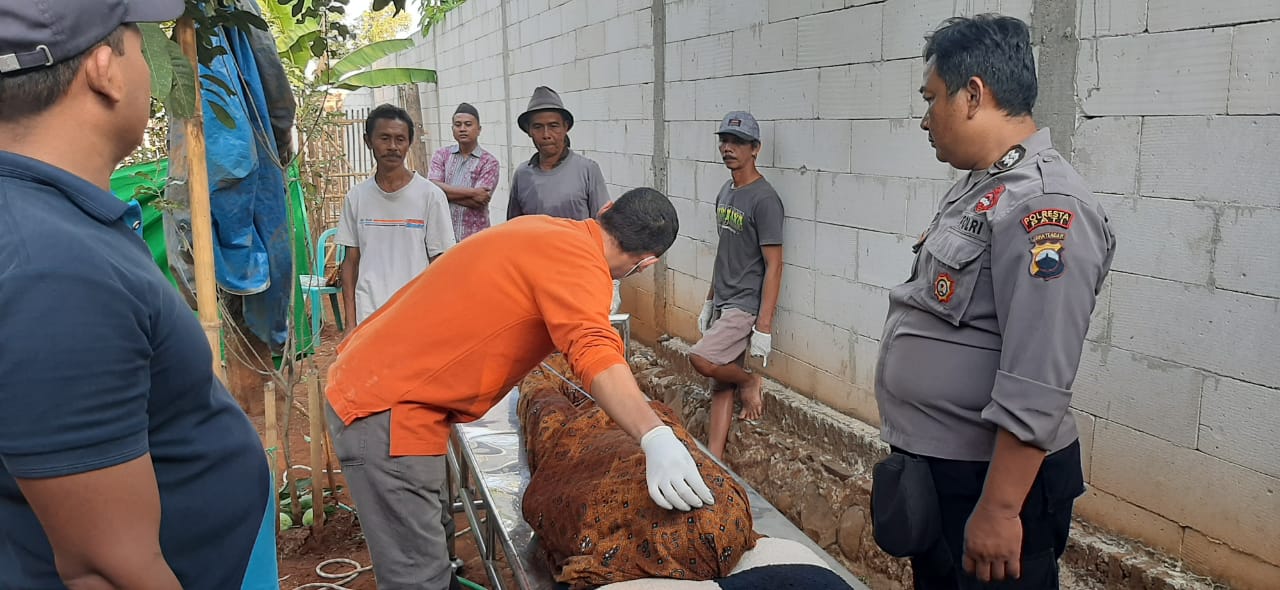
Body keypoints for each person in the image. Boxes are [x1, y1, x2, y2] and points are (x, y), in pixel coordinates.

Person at [0, 1, 278, 589]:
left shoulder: (52, 222)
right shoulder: (54, 271)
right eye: (138, 39)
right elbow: (107, 569)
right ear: (106, 69)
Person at [325, 187, 715, 590]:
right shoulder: (581, 266)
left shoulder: (542, 230)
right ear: (647, 263)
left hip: (383, 382)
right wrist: (653, 435)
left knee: (432, 546)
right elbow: (595, 350)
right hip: (387, 408)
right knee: (416, 578)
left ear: (606, 209)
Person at [872, 15, 1116, 589]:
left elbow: (1038, 375)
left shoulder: (1045, 205)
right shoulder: (982, 188)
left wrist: (1002, 509)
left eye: (931, 99)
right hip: (945, 473)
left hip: (994, 485)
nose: (924, 118)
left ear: (974, 94)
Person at [689, 111, 784, 461]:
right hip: (725, 298)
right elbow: (723, 251)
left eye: (738, 142)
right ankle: (715, 459)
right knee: (720, 384)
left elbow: (774, 264)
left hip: (745, 303)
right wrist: (709, 301)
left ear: (755, 149)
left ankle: (749, 381)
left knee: (700, 357)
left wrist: (764, 326)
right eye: (725, 141)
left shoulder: (765, 199)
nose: (728, 148)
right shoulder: (726, 192)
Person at [337, 103, 456, 328]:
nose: (392, 146)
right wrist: (351, 324)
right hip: (369, 316)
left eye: (400, 139)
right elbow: (350, 263)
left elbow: (441, 264)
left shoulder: (430, 196)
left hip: (416, 316)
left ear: (409, 143)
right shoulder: (357, 197)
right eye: (384, 138)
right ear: (368, 140)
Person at [507, 85, 623, 312]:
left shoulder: (588, 170)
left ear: (566, 128)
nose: (546, 135)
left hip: (579, 275)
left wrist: (612, 281)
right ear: (529, 131)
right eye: (538, 127)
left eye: (553, 126)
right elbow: (513, 231)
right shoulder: (522, 175)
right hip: (536, 280)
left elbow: (606, 228)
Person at [428, 102, 500, 241]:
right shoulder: (442, 155)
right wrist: (473, 192)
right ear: (452, 128)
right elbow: (432, 189)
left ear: (479, 129)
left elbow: (479, 201)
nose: (462, 129)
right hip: (443, 236)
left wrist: (443, 193)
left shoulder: (489, 162)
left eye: (468, 124)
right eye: (458, 124)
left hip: (475, 238)